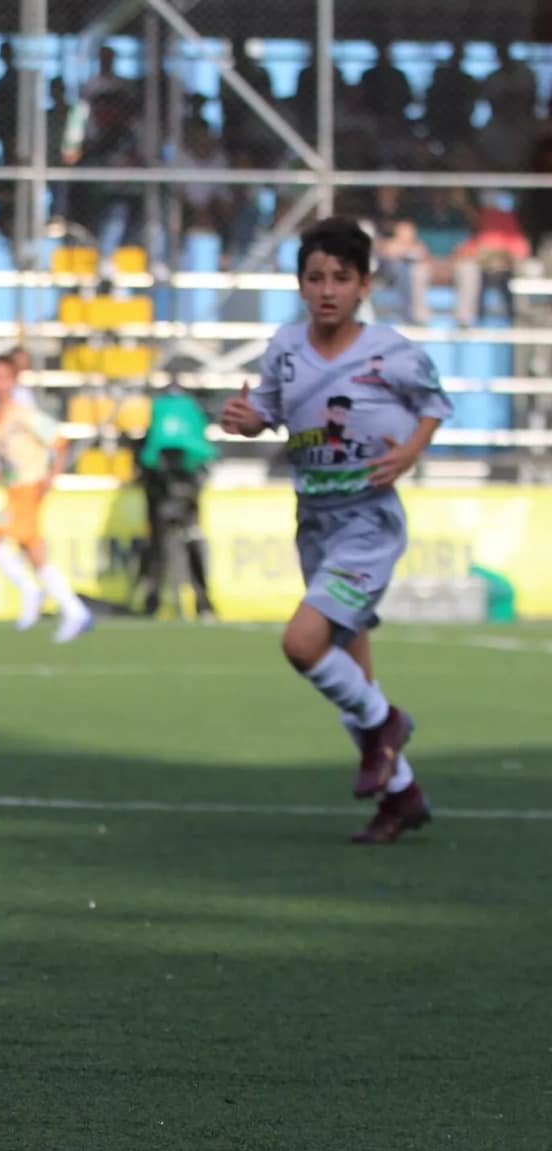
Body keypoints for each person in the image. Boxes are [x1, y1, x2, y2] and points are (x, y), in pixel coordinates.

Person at [219, 217, 450, 845]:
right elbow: (266, 411)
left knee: (302, 643)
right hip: (314, 521)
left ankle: (386, 725)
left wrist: (408, 454)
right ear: (300, 286)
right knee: (351, 673)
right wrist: (245, 419)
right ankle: (402, 795)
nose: (328, 290)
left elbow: (433, 403)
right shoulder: (285, 348)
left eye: (341, 279)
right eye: (316, 278)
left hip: (367, 522)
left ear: (364, 285)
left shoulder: (390, 351)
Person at [0, 354, 92, 643]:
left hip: (29, 489)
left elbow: (59, 441)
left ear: (13, 381)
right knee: (34, 554)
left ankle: (31, 591)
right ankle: (74, 610)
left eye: (4, 377)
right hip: (14, 490)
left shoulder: (23, 414)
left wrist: (51, 477)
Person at [136, 385, 218, 620]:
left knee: (158, 543)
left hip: (160, 486)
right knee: (190, 539)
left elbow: (147, 451)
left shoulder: (159, 410)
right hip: (186, 486)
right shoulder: (191, 411)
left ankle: (152, 601)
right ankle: (203, 603)